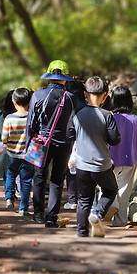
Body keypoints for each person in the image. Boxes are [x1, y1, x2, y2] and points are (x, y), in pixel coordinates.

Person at [67, 76, 121, 238]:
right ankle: (97, 213)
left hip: (82, 165)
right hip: (102, 165)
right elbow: (115, 139)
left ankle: (81, 232)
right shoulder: (107, 115)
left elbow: (70, 134)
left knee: (84, 199)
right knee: (111, 190)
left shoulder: (77, 115)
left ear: (85, 94)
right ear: (105, 95)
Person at [27, 60, 75, 227]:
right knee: (57, 179)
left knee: (39, 177)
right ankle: (51, 217)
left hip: (42, 141)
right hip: (64, 143)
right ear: (65, 78)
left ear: (49, 76)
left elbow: (31, 123)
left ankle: (39, 214)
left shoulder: (38, 95)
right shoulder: (70, 98)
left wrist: (29, 143)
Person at [107, 86, 137, 225]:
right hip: (130, 160)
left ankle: (112, 204)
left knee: (108, 186)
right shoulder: (136, 120)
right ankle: (120, 220)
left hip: (110, 160)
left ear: (114, 101)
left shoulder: (109, 118)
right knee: (124, 191)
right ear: (129, 101)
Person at [2, 88, 34, 215]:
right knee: (26, 181)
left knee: (10, 175)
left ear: (13, 101)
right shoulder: (31, 117)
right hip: (27, 155)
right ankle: (23, 208)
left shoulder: (9, 118)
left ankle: (9, 198)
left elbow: (4, 138)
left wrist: (5, 144)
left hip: (11, 154)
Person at [64, 80, 86, 211]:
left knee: (71, 169)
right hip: (85, 141)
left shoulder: (68, 104)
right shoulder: (84, 106)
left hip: (70, 141)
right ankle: (82, 198)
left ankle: (72, 199)